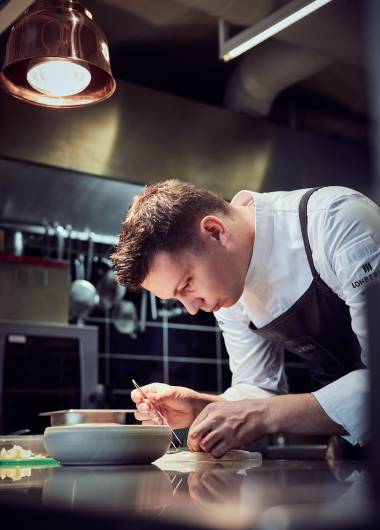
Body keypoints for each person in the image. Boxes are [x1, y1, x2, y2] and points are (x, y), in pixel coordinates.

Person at [111, 180, 380, 458]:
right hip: (353, 446)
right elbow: (260, 387)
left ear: (215, 232)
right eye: (177, 298)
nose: (192, 308)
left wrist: (262, 415)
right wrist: (203, 407)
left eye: (187, 284)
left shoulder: (337, 221)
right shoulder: (228, 287)